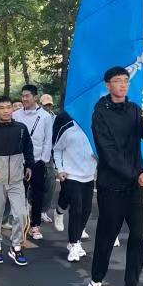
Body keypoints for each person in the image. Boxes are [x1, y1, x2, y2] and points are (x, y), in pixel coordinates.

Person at [87, 66, 143, 286]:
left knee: (138, 239)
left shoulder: (135, 110)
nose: (123, 85)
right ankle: (96, 283)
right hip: (111, 185)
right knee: (106, 237)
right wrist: (136, 174)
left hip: (134, 187)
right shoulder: (99, 113)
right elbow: (108, 154)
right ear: (108, 85)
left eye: (126, 80)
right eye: (118, 81)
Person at [0, 96, 34, 266]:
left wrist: (29, 166)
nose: (6, 111)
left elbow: (28, 149)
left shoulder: (21, 128)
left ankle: (16, 247)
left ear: (12, 109)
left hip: (17, 181)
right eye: (1, 108)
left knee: (21, 214)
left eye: (8, 107)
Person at [52, 112, 96, 262]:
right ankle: (74, 243)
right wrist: (60, 169)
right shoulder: (68, 129)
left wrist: (98, 158)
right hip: (72, 175)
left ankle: (75, 241)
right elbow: (57, 149)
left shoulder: (96, 129)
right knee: (76, 210)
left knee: (86, 210)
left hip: (89, 176)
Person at [12, 84, 53, 240]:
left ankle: (35, 225)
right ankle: (20, 223)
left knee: (37, 194)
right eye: (23, 96)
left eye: (27, 96)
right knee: (18, 194)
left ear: (35, 97)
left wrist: (43, 160)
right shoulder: (16, 115)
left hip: (37, 162)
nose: (24, 99)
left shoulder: (45, 116)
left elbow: (48, 140)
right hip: (19, 161)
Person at [39, 94, 58, 223]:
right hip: (36, 153)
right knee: (34, 183)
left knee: (50, 182)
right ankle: (30, 206)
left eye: (49, 105)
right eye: (45, 105)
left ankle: (43, 210)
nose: (47, 107)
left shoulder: (55, 118)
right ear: (40, 104)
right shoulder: (37, 116)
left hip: (50, 153)